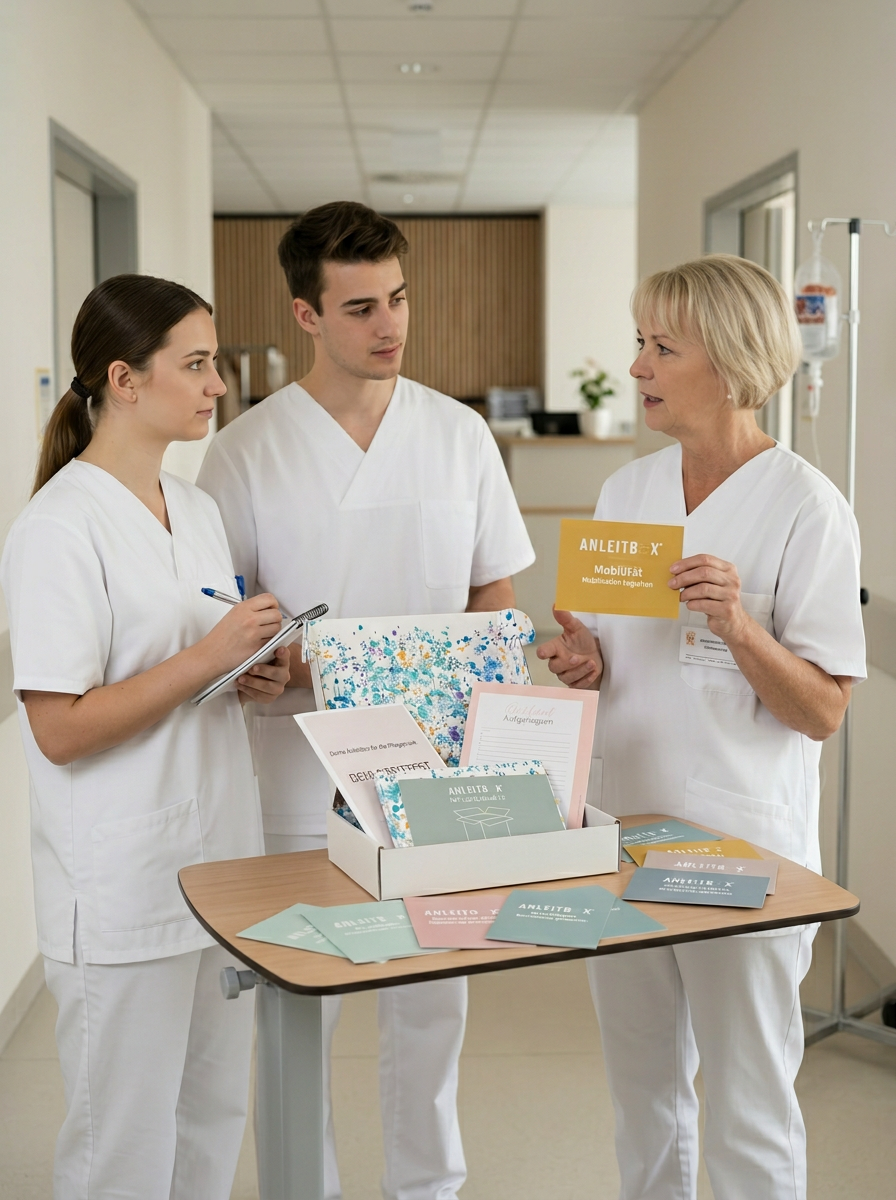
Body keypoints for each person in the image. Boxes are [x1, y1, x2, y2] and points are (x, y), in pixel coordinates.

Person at [197, 200, 535, 1200]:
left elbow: (493, 592)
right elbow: (230, 620)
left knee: (433, 1004)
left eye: (397, 299)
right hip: (296, 772)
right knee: (298, 1003)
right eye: (359, 308)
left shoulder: (459, 435)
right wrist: (283, 664)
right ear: (305, 314)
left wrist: (432, 673)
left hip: (437, 768)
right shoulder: (245, 451)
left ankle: (428, 1189)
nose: (389, 325)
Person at [537, 254, 865, 1200]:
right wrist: (587, 662)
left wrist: (739, 626)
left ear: (729, 361)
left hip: (739, 843)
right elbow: (622, 660)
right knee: (644, 1096)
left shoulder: (806, 505)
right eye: (639, 342)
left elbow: (823, 710)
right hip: (622, 830)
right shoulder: (627, 492)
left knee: (750, 1104)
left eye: (661, 348)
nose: (637, 366)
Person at [0, 275, 291, 1200]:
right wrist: (210, 654)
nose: (218, 385)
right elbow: (59, 729)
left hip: (218, 865)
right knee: (119, 1147)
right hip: (123, 880)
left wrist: (247, 672)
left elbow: (191, 667)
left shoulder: (196, 509)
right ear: (124, 379)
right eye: (196, 365)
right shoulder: (57, 528)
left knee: (211, 1119)